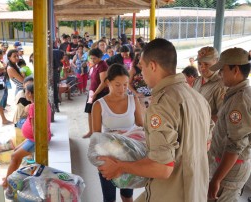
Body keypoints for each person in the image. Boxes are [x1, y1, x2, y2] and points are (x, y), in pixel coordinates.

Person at [97, 38, 213, 202]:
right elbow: (206, 144)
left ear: (152, 66)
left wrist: (120, 167)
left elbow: (162, 168)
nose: (141, 72)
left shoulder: (162, 105)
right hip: (196, 191)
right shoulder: (198, 98)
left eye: (142, 67)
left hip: (171, 194)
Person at [92, 64, 143, 202]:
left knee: (127, 195)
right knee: (109, 198)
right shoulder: (99, 105)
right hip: (108, 157)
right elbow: (96, 136)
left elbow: (141, 125)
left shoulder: (133, 100)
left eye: (125, 85)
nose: (122, 89)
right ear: (108, 82)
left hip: (129, 156)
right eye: (118, 85)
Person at [207, 48, 251, 202]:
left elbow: (236, 145)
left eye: (222, 70)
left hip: (230, 171)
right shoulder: (235, 94)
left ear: (236, 70)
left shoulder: (239, 100)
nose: (219, 74)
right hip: (226, 167)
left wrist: (216, 179)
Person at [2, 83, 51, 189]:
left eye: (25, 91)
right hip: (32, 138)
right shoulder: (42, 103)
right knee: (15, 153)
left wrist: (37, 145)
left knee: (14, 156)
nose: (24, 93)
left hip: (35, 140)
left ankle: (7, 181)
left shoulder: (33, 106)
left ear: (29, 93)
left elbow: (34, 128)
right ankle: (12, 177)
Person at [193, 46, 226, 122]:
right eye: (199, 63)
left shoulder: (220, 85)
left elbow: (222, 116)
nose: (202, 67)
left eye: (206, 64)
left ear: (217, 62)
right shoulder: (197, 81)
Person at [83, 48, 109, 138]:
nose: (92, 60)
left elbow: (104, 82)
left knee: (97, 113)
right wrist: (92, 93)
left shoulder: (103, 65)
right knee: (89, 111)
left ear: (100, 57)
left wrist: (95, 94)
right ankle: (91, 131)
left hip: (100, 92)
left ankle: (97, 133)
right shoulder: (94, 65)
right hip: (92, 91)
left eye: (94, 58)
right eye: (91, 58)